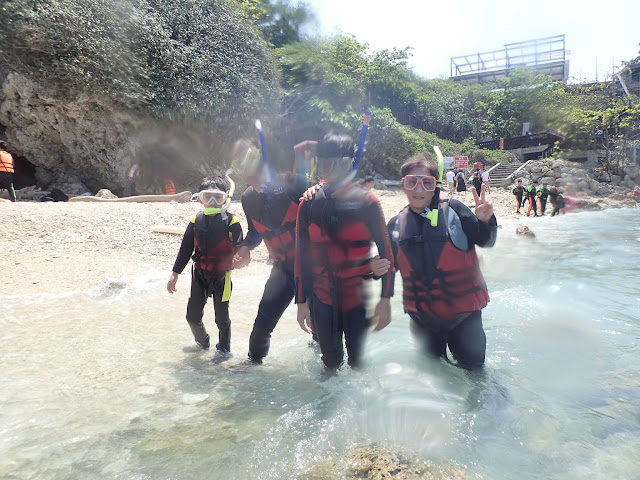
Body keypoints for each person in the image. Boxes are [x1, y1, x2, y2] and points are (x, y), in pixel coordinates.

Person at [387, 153, 497, 369]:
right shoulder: (395, 225)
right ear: (403, 186)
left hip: (465, 318)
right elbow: (389, 268)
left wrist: (486, 222)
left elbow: (486, 241)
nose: (419, 189)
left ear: (435, 185)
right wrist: (372, 268)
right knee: (433, 376)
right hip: (422, 320)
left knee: (475, 375)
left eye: (427, 183)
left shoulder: (455, 210)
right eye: (411, 182)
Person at [295, 133, 394, 369]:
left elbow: (387, 253)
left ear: (350, 164)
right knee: (330, 361)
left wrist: (385, 299)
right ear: (319, 165)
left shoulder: (368, 202)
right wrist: (301, 302)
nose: (333, 172)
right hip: (321, 296)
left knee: (358, 362)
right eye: (326, 164)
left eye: (340, 165)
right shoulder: (308, 204)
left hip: (355, 296)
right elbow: (301, 257)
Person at [232, 139, 314, 363]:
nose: (239, 168)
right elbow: (255, 232)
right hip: (282, 270)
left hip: (313, 269)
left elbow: (326, 202)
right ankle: (253, 366)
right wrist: (246, 247)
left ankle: (324, 374)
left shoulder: (292, 183)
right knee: (261, 327)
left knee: (319, 330)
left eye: (242, 160)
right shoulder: (248, 198)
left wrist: (316, 187)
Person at [167, 176, 245, 354]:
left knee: (222, 318)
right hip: (199, 275)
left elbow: (241, 248)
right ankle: (203, 343)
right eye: (207, 197)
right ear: (200, 199)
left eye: (218, 197)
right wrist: (175, 273)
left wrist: (239, 259)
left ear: (225, 199)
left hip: (222, 277)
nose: (213, 202)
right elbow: (185, 249)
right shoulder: (196, 221)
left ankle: (224, 350)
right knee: (192, 317)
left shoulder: (231, 222)